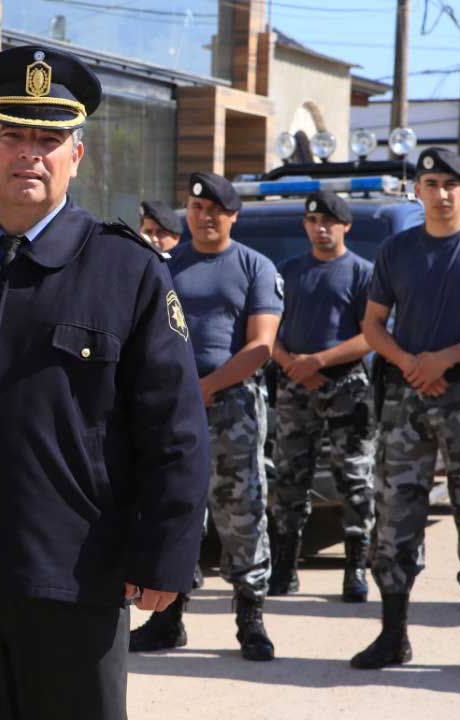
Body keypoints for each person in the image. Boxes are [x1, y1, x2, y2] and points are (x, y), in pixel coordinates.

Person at [0, 45, 210, 720]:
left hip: (73, 577)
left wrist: (166, 554)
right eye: (12, 136)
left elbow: (175, 428)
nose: (29, 154)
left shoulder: (126, 271)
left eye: (48, 140)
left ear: (75, 156)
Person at [351, 147, 460, 678]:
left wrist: (444, 358)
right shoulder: (396, 249)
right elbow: (373, 324)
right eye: (431, 185)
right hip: (407, 401)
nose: (441, 194)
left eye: (450, 184)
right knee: (395, 516)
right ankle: (393, 635)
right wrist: (410, 363)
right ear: (418, 192)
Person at [131, 171, 282, 661]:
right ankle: (167, 619)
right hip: (172, 409)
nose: (205, 217)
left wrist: (206, 387)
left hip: (232, 407)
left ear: (233, 216)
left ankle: (251, 621)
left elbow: (261, 346)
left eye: (215, 210)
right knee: (173, 508)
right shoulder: (164, 265)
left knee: (242, 511)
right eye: (197, 208)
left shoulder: (255, 266)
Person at [268, 192, 375, 602]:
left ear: (346, 226)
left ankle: (355, 568)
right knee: (290, 477)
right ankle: (285, 566)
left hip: (346, 385)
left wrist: (319, 361)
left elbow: (371, 335)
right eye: (313, 221)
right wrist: (291, 363)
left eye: (329, 221)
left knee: (355, 478)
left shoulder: (362, 273)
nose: (321, 228)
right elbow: (267, 327)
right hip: (295, 384)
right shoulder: (288, 271)